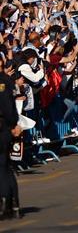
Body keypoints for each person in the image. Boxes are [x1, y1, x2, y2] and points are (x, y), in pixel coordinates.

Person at [0, 60, 20, 220]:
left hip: (3, 129)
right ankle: (13, 205)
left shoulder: (4, 82)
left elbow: (8, 107)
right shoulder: (7, 81)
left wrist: (13, 124)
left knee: (3, 166)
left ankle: (6, 203)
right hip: (7, 128)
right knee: (6, 166)